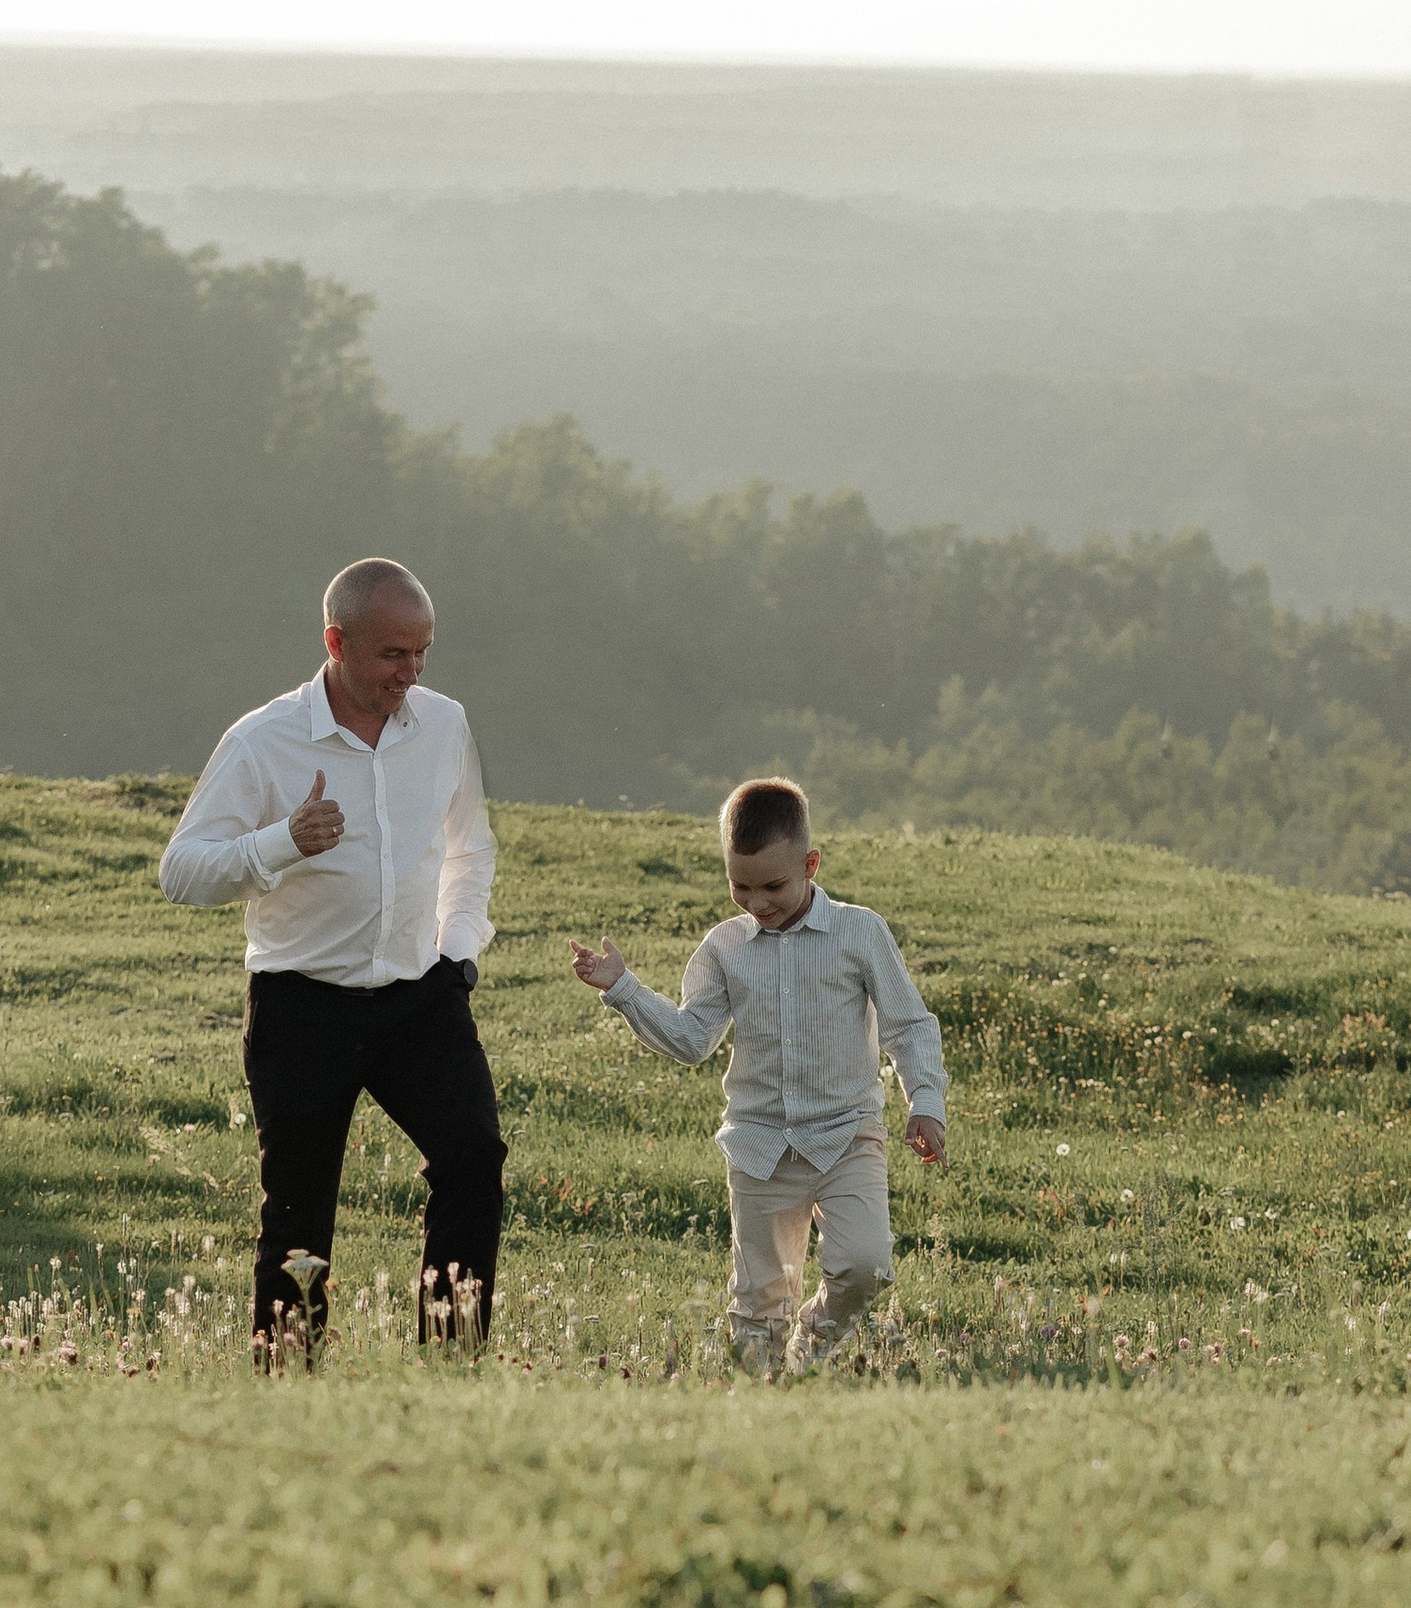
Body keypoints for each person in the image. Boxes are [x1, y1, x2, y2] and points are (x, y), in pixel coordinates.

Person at [159, 558, 502, 1358]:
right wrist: (282, 842)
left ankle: (450, 1361)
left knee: (474, 1155)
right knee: (299, 1213)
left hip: (422, 998)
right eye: (392, 655)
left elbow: (470, 849)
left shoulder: (444, 724)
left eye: (422, 653)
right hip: (300, 1003)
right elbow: (181, 871)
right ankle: (287, 1377)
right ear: (335, 642)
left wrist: (458, 951)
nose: (410, 674)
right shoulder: (262, 740)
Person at [571, 776, 946, 1374]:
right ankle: (758, 1390)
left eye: (773, 885)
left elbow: (909, 1024)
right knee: (760, 1301)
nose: (757, 902)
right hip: (759, 1144)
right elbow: (693, 1039)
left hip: (848, 1134)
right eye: (739, 887)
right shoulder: (724, 948)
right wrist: (622, 988)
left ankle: (811, 1348)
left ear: (811, 864)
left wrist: (924, 1102)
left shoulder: (860, 933)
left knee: (866, 1265)